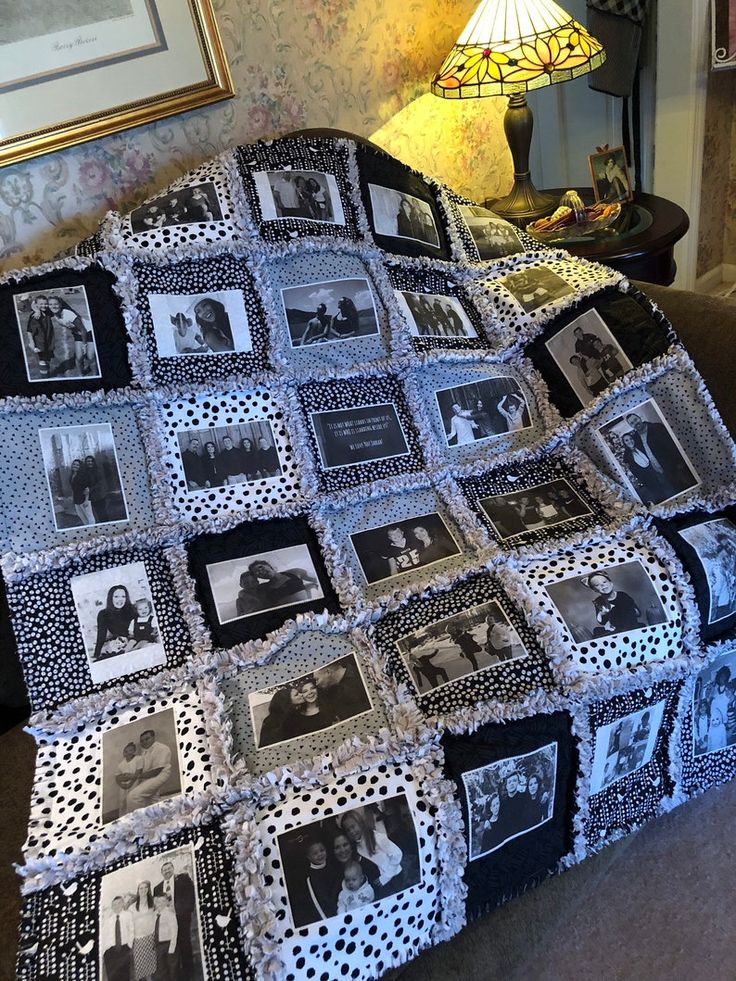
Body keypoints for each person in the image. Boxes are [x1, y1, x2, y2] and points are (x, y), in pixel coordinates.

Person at [154, 860, 196, 979]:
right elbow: (157, 905)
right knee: (170, 950)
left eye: (169, 868)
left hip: (181, 918)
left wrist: (178, 910)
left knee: (185, 945)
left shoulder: (183, 880)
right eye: (164, 869)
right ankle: (175, 975)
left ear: (173, 869)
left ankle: (189, 974)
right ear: (162, 872)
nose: (167, 871)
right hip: (166, 923)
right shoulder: (157, 888)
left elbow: (189, 897)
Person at [341, 809, 403, 889]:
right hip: (380, 882)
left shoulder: (376, 837)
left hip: (394, 877)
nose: (351, 831)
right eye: (348, 830)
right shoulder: (357, 847)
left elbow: (397, 853)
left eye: (353, 827)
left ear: (360, 823)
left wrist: (387, 876)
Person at [236, 558, 320, 615]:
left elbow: (317, 578)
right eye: (257, 573)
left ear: (269, 565)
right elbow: (244, 592)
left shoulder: (294, 572)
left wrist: (310, 587)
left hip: (310, 610)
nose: (260, 572)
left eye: (260, 567)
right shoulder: (265, 587)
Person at [582, 571, 644, 636]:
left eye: (604, 582)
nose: (602, 585)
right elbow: (602, 622)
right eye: (597, 585)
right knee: (597, 631)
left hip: (630, 625)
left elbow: (637, 613)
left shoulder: (622, 595)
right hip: (615, 629)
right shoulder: (599, 601)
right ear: (595, 590)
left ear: (611, 583)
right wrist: (602, 613)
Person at [47, 295, 97, 376]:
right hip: (78, 334)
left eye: (55, 304)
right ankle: (81, 376)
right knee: (79, 357)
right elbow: (37, 307)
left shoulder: (69, 314)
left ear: (60, 304)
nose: (53, 306)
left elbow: (83, 330)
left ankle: (95, 375)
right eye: (50, 304)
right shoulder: (55, 315)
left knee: (90, 356)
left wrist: (84, 345)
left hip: (88, 332)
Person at [125, 729, 173, 812]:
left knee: (133, 796)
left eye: (147, 739)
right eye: (142, 741)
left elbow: (157, 771)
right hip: (149, 776)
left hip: (160, 774)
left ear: (153, 738)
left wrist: (134, 776)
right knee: (152, 799)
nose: (144, 742)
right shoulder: (144, 753)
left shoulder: (162, 748)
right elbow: (143, 770)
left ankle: (139, 818)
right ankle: (161, 814)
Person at [314, 657, 372, 721]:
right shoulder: (331, 693)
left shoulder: (363, 671)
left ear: (328, 672)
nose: (316, 684)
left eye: (317, 679)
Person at [94, 585, 136, 661]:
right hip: (116, 643)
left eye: (123, 596)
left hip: (132, 642)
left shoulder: (132, 609)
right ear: (111, 598)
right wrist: (96, 654)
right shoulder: (103, 614)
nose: (120, 600)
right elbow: (101, 636)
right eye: (116, 596)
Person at [304, 838, 341, 920]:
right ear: (309, 857)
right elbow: (319, 904)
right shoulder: (311, 878)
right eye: (315, 853)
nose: (320, 854)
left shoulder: (332, 866)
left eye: (322, 850)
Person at [102, 894, 134, 981]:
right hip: (111, 950)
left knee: (124, 974)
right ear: (112, 906)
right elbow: (105, 934)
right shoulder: (109, 919)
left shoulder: (128, 915)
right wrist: (105, 950)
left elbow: (132, 930)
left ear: (123, 904)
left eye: (119, 903)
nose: (117, 906)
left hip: (124, 948)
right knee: (112, 975)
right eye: (114, 904)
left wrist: (129, 946)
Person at [131, 881, 157, 981]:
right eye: (141, 888)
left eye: (145, 888)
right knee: (140, 965)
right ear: (138, 890)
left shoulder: (153, 902)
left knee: (150, 965)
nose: (143, 890)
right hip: (138, 939)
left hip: (151, 936)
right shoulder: (133, 907)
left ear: (148, 889)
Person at [25, 295, 55, 379]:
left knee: (47, 359)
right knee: (43, 360)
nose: (44, 306)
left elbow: (61, 303)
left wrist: (38, 309)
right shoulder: (35, 316)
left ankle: (47, 375)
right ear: (36, 305)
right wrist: (31, 343)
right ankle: (45, 379)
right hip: (39, 342)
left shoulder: (47, 312)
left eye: (45, 304)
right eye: (41, 304)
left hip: (48, 340)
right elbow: (29, 330)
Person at [152, 893, 177, 981]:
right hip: (158, 945)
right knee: (162, 969)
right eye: (158, 901)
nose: (160, 903)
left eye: (163, 901)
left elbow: (174, 930)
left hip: (168, 944)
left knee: (172, 969)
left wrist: (172, 947)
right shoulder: (154, 914)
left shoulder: (169, 913)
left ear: (167, 902)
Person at [707, 666, 732, 752]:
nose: (722, 678)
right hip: (712, 723)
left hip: (723, 724)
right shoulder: (714, 691)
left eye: (724, 676)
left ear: (727, 677)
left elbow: (732, 701)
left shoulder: (729, 690)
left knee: (721, 748)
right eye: (720, 676)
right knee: (710, 747)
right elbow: (710, 703)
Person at [114, 741, 142, 817]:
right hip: (124, 786)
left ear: (134, 751)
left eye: (130, 750)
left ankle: (136, 816)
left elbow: (138, 773)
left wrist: (130, 783)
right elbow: (117, 777)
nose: (128, 752)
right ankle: (123, 817)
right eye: (126, 751)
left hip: (134, 784)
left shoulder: (138, 759)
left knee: (133, 800)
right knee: (122, 802)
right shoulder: (121, 764)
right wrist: (122, 785)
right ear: (123, 752)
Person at [85, 455, 110, 524]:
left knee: (103, 512)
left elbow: (100, 483)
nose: (89, 463)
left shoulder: (97, 470)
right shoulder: (85, 472)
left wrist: (90, 489)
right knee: (97, 513)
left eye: (91, 461)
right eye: (88, 461)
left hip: (99, 495)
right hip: (92, 497)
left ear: (93, 462)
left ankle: (107, 524)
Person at [70, 457, 94, 525]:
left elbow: (87, 489)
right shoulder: (72, 475)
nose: (75, 466)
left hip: (84, 499)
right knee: (82, 516)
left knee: (89, 516)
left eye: (77, 465)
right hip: (76, 499)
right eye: (74, 464)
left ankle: (94, 529)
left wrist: (86, 500)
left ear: (80, 467)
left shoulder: (83, 476)